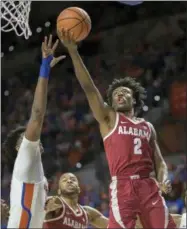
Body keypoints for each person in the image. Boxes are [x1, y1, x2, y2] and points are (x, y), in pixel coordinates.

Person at [57, 29, 176, 228]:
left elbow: (160, 162)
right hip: (123, 186)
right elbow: (88, 87)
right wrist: (73, 52)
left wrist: (164, 179)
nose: (119, 95)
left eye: (124, 92)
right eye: (115, 94)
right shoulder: (109, 119)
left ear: (134, 99)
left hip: (149, 186)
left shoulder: (148, 127)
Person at [2, 35, 65, 228]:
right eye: (25, 137)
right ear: (19, 147)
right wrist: (44, 68)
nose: (31, 136)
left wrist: (48, 207)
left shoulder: (34, 173)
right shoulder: (26, 154)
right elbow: (37, 114)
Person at [43, 173, 182, 229]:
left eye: (73, 179)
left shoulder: (87, 213)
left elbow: (113, 225)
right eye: (64, 180)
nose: (69, 180)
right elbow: (45, 206)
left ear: (79, 189)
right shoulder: (56, 203)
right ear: (59, 190)